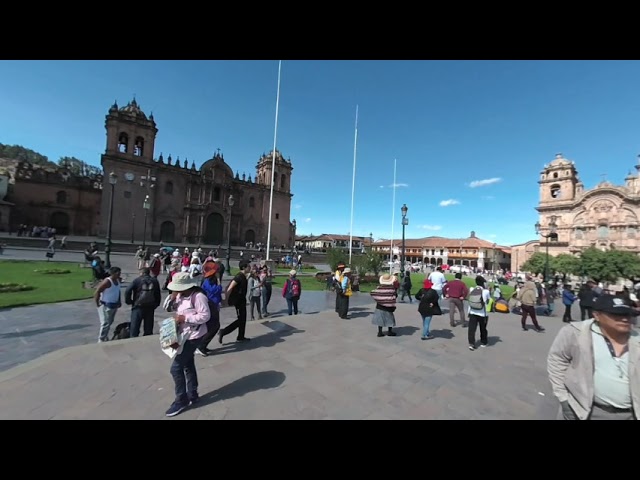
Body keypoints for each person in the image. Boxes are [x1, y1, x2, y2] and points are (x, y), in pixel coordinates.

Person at [547, 294, 640, 420]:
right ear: (597, 315)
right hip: (585, 411)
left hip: (631, 414)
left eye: (628, 314)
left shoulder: (636, 339)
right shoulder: (575, 333)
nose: (624, 319)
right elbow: (557, 362)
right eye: (616, 315)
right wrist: (563, 398)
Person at [163, 272, 211, 417]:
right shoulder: (179, 295)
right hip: (183, 334)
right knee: (187, 364)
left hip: (194, 336)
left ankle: (181, 399)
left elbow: (205, 316)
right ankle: (192, 393)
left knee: (176, 368)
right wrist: (171, 298)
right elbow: (167, 309)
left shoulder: (198, 296)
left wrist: (185, 318)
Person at [218, 260, 251, 344]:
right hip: (239, 301)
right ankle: (223, 332)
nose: (250, 267)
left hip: (242, 300)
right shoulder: (238, 277)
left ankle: (241, 336)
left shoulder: (243, 276)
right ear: (244, 267)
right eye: (248, 266)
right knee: (240, 320)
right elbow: (228, 288)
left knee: (243, 319)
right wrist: (225, 300)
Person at [196, 260, 222, 356]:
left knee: (212, 326)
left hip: (214, 305)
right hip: (210, 305)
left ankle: (203, 345)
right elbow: (215, 291)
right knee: (214, 326)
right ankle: (201, 345)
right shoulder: (207, 281)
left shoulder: (211, 280)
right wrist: (219, 282)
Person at [93, 267, 122, 342]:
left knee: (110, 322)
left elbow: (118, 291)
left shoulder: (118, 281)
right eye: (118, 273)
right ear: (113, 273)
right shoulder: (107, 281)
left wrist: (119, 301)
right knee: (105, 323)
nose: (119, 274)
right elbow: (97, 291)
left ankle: (105, 336)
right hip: (105, 305)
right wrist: (97, 303)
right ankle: (101, 339)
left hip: (114, 305)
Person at [467, 275, 491, 351]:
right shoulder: (486, 291)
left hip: (472, 312)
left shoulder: (472, 289)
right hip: (482, 313)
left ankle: (471, 343)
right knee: (483, 328)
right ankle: (484, 342)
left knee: (471, 329)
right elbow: (487, 301)